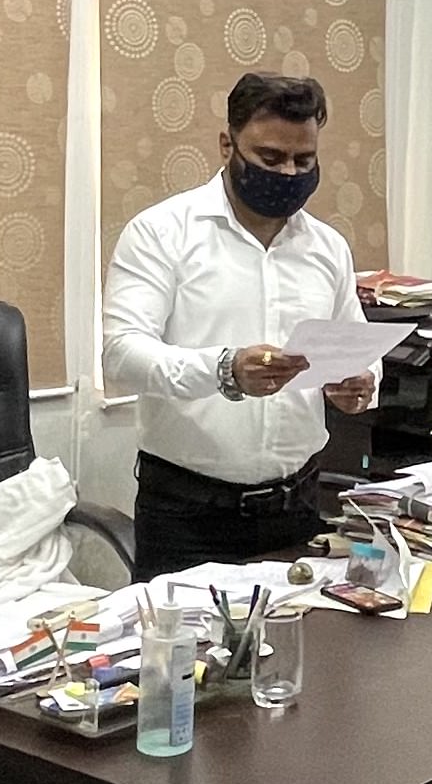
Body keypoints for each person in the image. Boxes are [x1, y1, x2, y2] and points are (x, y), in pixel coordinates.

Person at [104, 72, 380, 579]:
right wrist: (224, 369)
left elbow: (356, 344)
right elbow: (122, 354)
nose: (288, 172)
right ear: (227, 145)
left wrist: (360, 382)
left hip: (297, 507)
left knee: (304, 632)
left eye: (304, 160)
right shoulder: (162, 232)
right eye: (270, 158)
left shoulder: (327, 247)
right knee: (186, 635)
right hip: (188, 515)